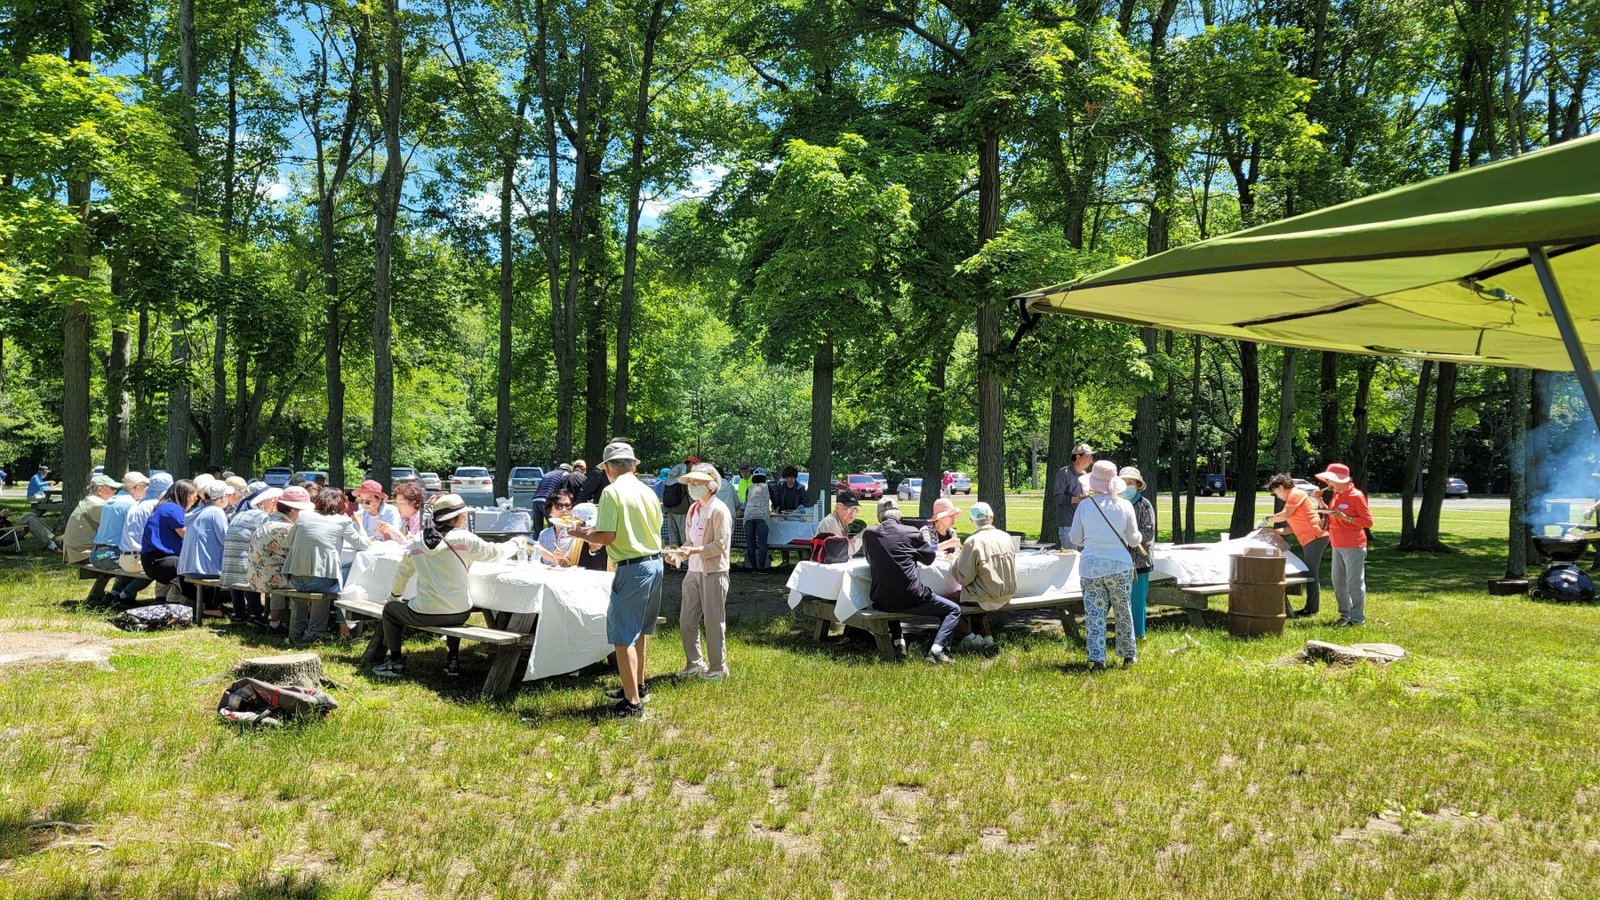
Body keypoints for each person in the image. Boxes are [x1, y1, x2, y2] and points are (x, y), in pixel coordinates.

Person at [374, 493, 523, 678]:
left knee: (390, 610)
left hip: (424, 614)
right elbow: (495, 553)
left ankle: (395, 662)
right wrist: (516, 542)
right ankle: (452, 660)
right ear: (456, 517)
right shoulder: (464, 538)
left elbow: (402, 574)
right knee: (454, 600)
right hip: (460, 613)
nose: (465, 518)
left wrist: (395, 597)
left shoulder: (417, 541)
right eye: (463, 515)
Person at [571, 441, 663, 718]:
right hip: (654, 563)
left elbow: (607, 536)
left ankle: (632, 704)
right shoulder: (648, 491)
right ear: (633, 466)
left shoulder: (611, 492)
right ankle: (638, 687)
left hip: (632, 567)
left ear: (609, 468)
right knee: (640, 632)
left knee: (623, 637)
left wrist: (580, 534)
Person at [862, 497, 962, 663]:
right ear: (899, 515)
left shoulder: (869, 533)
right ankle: (938, 649)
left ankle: (898, 642)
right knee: (953, 610)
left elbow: (870, 558)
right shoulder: (910, 532)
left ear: (879, 517)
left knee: (891, 590)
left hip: (880, 599)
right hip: (912, 597)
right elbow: (929, 559)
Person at [1067, 460, 1141, 671]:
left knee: (1094, 614)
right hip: (1119, 565)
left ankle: (1098, 658)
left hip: (1091, 566)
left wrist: (1091, 540)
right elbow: (1133, 539)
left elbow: (1075, 538)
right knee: (1123, 610)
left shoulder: (1084, 506)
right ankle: (1128, 655)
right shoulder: (1124, 505)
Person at [283, 486, 371, 642]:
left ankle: (299, 628)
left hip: (295, 578)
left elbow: (288, 542)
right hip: (320, 582)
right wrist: (362, 528)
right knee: (344, 569)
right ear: (341, 503)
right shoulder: (343, 521)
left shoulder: (303, 516)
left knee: (316, 576)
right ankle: (323, 628)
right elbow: (363, 545)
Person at [672, 464, 733, 680]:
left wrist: (694, 551)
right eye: (690, 482)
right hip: (693, 571)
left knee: (713, 621)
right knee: (687, 620)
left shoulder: (719, 510)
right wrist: (679, 553)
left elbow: (720, 545)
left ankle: (718, 668)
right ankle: (695, 663)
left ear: (711, 484)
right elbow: (691, 541)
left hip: (714, 571)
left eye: (697, 481)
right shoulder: (693, 509)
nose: (692, 485)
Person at [1262, 473, 1330, 619]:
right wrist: (1274, 531)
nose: (1278, 496)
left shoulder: (1295, 494)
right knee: (1309, 573)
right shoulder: (1294, 498)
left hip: (1315, 538)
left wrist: (1266, 519)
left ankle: (1311, 609)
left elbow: (1285, 514)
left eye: (1276, 492)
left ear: (1281, 487)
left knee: (1311, 574)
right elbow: (1292, 528)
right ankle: (1311, 608)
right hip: (1311, 539)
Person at [951, 501, 1015, 650]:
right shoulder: (1006, 537)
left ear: (972, 521)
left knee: (947, 601)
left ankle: (970, 637)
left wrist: (955, 562)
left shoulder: (972, 541)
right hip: (1007, 594)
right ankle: (987, 636)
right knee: (975, 592)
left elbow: (963, 577)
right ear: (991, 518)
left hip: (986, 596)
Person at [248, 486, 312, 634]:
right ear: (294, 511)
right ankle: (299, 627)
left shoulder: (268, 519)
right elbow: (300, 555)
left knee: (282, 573)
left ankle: (275, 623)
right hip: (269, 578)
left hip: (258, 575)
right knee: (306, 583)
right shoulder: (285, 528)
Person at [1316, 462, 1373, 627]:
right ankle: (1345, 615)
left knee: (1354, 583)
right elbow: (1331, 514)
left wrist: (1346, 518)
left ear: (1341, 480)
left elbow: (1368, 522)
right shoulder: (1337, 494)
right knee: (1338, 582)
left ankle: (1357, 619)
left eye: (1330, 480)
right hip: (1337, 544)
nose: (1328, 483)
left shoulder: (1356, 496)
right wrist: (1319, 500)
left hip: (1354, 545)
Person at [221, 487, 280, 625]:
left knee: (242, 567)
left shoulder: (241, 514)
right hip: (244, 569)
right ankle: (255, 614)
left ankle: (238, 613)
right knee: (255, 567)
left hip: (229, 567)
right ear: (265, 502)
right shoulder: (261, 516)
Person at [111, 472, 172, 606]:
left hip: (124, 557)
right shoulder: (156, 506)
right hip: (137, 559)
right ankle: (123, 596)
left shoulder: (137, 503)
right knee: (163, 566)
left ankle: (115, 594)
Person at [178, 480, 232, 617]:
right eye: (227, 495)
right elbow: (226, 540)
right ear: (222, 497)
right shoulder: (217, 512)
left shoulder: (196, 512)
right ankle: (212, 609)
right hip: (206, 570)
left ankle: (209, 607)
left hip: (187, 569)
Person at [141, 479, 198, 605]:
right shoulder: (174, 510)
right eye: (194, 498)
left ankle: (170, 600)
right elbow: (187, 536)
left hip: (151, 560)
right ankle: (206, 605)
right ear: (184, 495)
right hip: (161, 561)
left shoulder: (163, 506)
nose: (195, 501)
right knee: (193, 567)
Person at [1118, 466, 1157, 641]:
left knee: (1138, 599)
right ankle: (1124, 633)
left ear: (1138, 485)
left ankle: (1139, 634)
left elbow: (1148, 532)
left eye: (1131, 482)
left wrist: (1129, 537)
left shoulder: (1144, 504)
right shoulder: (1115, 503)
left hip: (1140, 560)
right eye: (1124, 482)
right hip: (1119, 559)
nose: (1127, 486)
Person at [90, 472, 149, 572]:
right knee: (151, 565)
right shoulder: (131, 505)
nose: (147, 489)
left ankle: (119, 583)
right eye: (145, 486)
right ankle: (125, 584)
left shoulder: (110, 501)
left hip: (95, 555)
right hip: (111, 556)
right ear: (138, 488)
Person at [63, 474, 118, 565]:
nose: (115, 491)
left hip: (74, 553)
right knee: (125, 555)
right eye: (112, 488)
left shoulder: (89, 502)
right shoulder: (98, 505)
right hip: (84, 554)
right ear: (100, 490)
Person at [1051, 443, 1094, 548]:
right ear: (1078, 457)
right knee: (1070, 556)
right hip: (1068, 524)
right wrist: (1078, 499)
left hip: (1084, 524)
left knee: (1082, 556)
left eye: (1091, 457)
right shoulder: (1064, 473)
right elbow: (1057, 498)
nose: (1091, 460)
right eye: (1088, 456)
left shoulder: (1085, 475)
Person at [534, 490, 582, 566]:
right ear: (549, 510)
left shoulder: (576, 533)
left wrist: (548, 556)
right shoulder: (544, 534)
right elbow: (539, 562)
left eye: (568, 506)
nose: (564, 510)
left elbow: (572, 564)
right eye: (559, 506)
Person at [815, 491, 864, 557]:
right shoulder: (830, 522)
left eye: (855, 508)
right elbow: (843, 551)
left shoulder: (842, 522)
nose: (852, 513)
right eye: (848, 508)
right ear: (837, 508)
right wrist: (862, 535)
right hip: (826, 562)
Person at [742, 467, 772, 572]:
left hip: (748, 516)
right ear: (764, 478)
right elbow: (775, 499)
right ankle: (761, 568)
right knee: (762, 543)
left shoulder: (749, 488)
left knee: (750, 543)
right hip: (762, 516)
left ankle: (753, 567)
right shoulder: (767, 487)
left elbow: (746, 502)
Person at [662, 456, 695, 546]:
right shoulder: (685, 479)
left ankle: (673, 554)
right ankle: (685, 554)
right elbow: (691, 496)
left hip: (669, 509)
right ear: (691, 464)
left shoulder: (672, 476)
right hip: (681, 510)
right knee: (684, 537)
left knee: (673, 539)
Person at [531, 464, 569, 535]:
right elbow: (562, 491)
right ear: (568, 470)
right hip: (546, 499)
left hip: (536, 499)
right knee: (553, 526)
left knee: (537, 528)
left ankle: (536, 540)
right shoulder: (565, 474)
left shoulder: (548, 474)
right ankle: (552, 540)